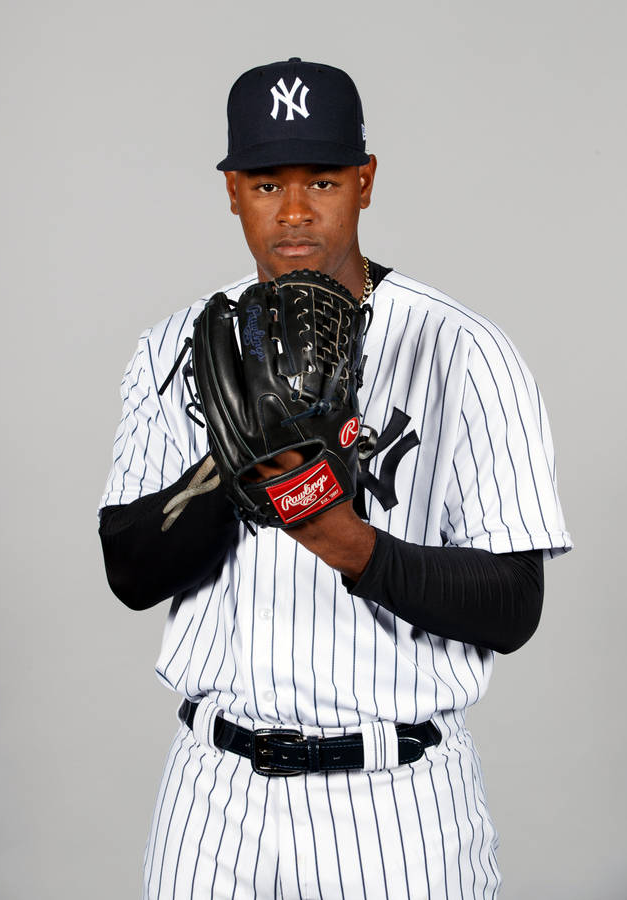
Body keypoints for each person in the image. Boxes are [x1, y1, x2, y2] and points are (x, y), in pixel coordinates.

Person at [99, 58, 571, 899]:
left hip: (396, 798)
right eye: (265, 182)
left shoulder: (465, 351)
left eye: (321, 179)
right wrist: (238, 465)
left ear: (365, 181)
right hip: (214, 799)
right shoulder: (176, 347)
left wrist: (343, 538)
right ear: (232, 191)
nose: (293, 211)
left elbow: (513, 603)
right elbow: (130, 570)